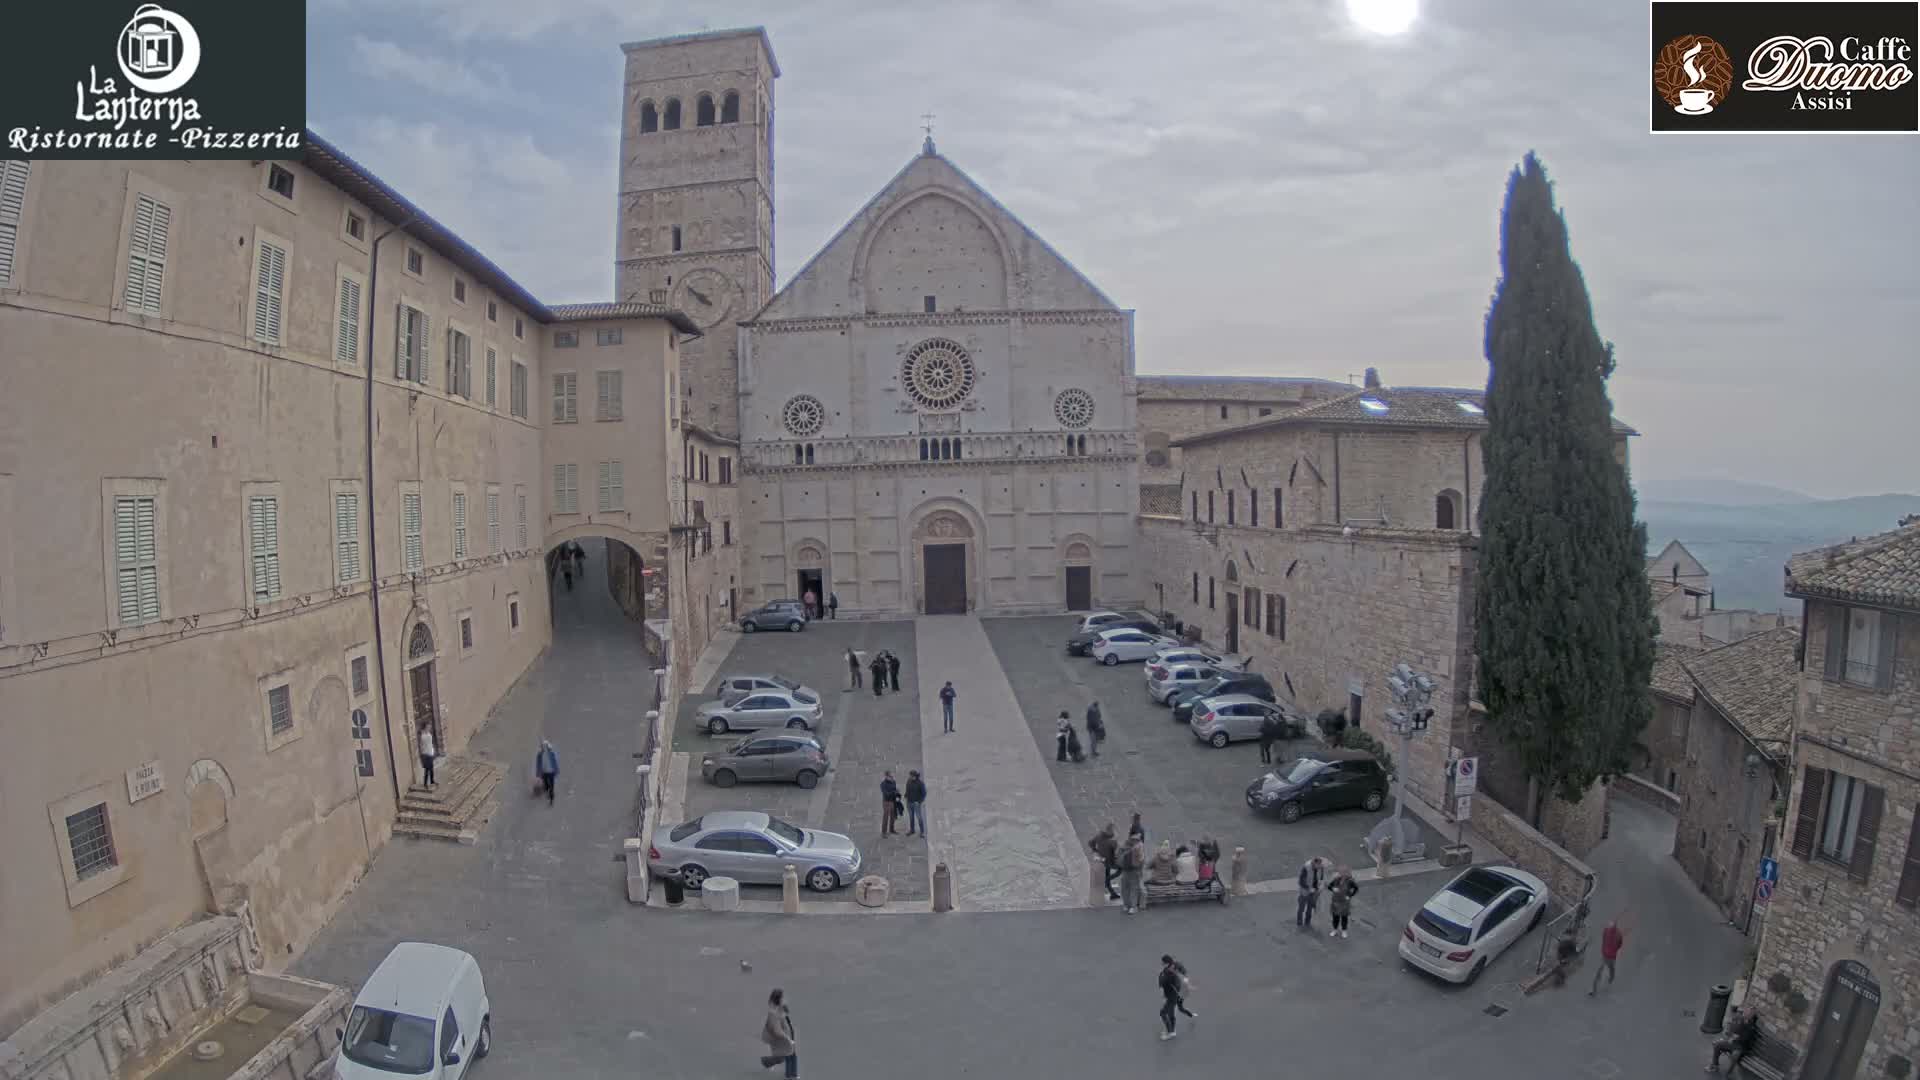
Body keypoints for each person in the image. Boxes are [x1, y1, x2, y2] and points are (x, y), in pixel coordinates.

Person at [758, 988, 798, 1078]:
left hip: (786, 1034)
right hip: (779, 1037)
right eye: (783, 998)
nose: (785, 999)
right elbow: (775, 1030)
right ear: (778, 999)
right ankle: (767, 1062)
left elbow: (785, 1017)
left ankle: (792, 1075)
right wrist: (787, 1039)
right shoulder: (773, 1012)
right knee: (785, 1055)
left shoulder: (782, 1008)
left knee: (789, 1055)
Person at [1707, 1007, 1759, 1073]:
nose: (1746, 1013)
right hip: (1733, 1043)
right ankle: (1715, 1065)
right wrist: (1730, 1034)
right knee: (1717, 1045)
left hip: (1740, 1047)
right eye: (1747, 1011)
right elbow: (1733, 1030)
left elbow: (1746, 1040)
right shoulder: (1741, 1020)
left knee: (1735, 1055)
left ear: (1752, 1016)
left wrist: (1737, 1037)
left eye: (1749, 1013)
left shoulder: (1751, 1027)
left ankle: (1728, 1073)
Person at [1157, 955, 1197, 1041]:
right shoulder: (1169, 972)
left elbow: (1164, 984)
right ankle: (1172, 1031)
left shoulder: (1168, 974)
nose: (1161, 964)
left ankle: (1170, 1032)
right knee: (1172, 1013)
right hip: (1174, 995)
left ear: (1167, 963)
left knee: (1163, 1013)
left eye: (1163, 963)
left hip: (1173, 996)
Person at [1590, 918, 1626, 996]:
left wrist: (1604, 949)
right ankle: (1610, 979)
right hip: (1611, 956)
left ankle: (1594, 990)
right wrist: (1614, 949)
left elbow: (1604, 940)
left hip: (1606, 955)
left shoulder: (1607, 931)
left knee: (1600, 971)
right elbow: (1620, 945)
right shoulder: (1618, 934)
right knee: (1610, 968)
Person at [1326, 865, 1359, 938]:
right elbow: (1329, 886)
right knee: (1335, 917)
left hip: (1344, 902)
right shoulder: (1336, 879)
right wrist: (1333, 889)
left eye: (1344, 873)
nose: (1342, 874)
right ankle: (1335, 930)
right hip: (1335, 901)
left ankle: (1344, 931)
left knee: (1344, 917)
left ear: (1347, 873)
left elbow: (1356, 889)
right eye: (1341, 872)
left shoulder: (1350, 881)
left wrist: (1349, 896)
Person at [1089, 824, 1121, 901]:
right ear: (1110, 831)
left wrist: (1095, 850)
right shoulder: (1112, 842)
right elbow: (1116, 854)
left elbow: (1090, 842)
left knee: (1107, 873)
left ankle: (1112, 893)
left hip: (1102, 860)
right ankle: (1106, 881)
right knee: (1121, 869)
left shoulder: (1099, 836)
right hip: (1110, 861)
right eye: (1113, 830)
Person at [1119, 833, 1146, 914]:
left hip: (1125, 870)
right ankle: (1133, 907)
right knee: (1133, 889)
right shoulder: (1138, 847)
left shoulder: (1124, 845)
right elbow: (1141, 860)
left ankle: (1125, 906)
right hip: (1135, 870)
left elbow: (1118, 856)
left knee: (1125, 889)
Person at [1296, 856, 1326, 929]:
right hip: (1304, 892)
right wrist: (1309, 888)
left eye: (1320, 865)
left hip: (1314, 892)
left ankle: (1307, 922)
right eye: (1317, 865)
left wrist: (1321, 885)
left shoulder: (1321, 868)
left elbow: (1321, 878)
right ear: (1314, 863)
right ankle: (1299, 923)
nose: (1318, 867)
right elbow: (1301, 881)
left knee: (1310, 908)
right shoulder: (1306, 868)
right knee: (1301, 908)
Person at [533, 739, 559, 805]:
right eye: (543, 746)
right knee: (546, 784)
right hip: (544, 772)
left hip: (550, 772)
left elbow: (554, 762)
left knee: (551, 785)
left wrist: (556, 770)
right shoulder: (540, 755)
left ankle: (551, 797)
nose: (544, 748)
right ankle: (547, 792)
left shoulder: (551, 754)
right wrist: (538, 773)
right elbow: (538, 764)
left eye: (545, 746)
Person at [904, 770, 927, 837]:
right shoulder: (909, 781)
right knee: (911, 817)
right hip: (909, 802)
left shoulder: (920, 783)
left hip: (916, 804)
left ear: (914, 776)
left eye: (911, 776)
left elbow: (924, 794)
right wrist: (906, 795)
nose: (909, 777)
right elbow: (907, 789)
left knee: (919, 817)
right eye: (910, 776)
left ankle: (922, 832)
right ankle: (912, 830)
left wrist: (919, 802)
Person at [879, 771, 900, 836]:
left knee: (893, 816)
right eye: (890, 776)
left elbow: (895, 790)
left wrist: (897, 794)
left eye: (892, 776)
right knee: (886, 817)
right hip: (886, 802)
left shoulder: (893, 782)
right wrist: (894, 792)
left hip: (893, 801)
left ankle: (891, 829)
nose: (892, 777)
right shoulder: (883, 784)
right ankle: (883, 832)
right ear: (886, 776)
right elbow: (886, 794)